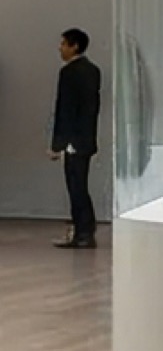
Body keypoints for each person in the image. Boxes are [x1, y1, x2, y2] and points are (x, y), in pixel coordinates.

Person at [49, 29, 102, 250]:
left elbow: (65, 109)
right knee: (80, 185)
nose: (60, 48)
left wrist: (58, 143)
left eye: (64, 44)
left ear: (75, 46)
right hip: (86, 138)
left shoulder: (69, 72)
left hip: (73, 141)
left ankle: (82, 232)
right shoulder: (93, 71)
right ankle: (85, 230)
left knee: (76, 187)